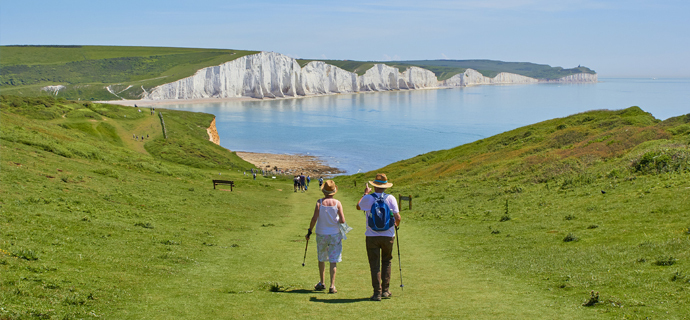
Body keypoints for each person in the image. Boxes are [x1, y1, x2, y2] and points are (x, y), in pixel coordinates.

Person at [356, 173, 401, 301]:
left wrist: (365, 193)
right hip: (388, 235)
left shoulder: (368, 198)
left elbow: (358, 206)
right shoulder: (391, 198)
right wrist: (396, 226)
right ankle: (385, 291)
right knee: (387, 262)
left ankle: (377, 293)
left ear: (374, 186)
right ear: (385, 186)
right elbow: (398, 217)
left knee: (374, 264)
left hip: (372, 235)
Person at [306, 180, 346, 294]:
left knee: (321, 258)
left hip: (321, 233)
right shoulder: (338, 203)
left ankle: (322, 282)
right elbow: (342, 220)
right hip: (335, 234)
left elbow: (314, 218)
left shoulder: (319, 202)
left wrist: (309, 231)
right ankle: (332, 286)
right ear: (334, 192)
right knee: (333, 260)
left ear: (324, 191)